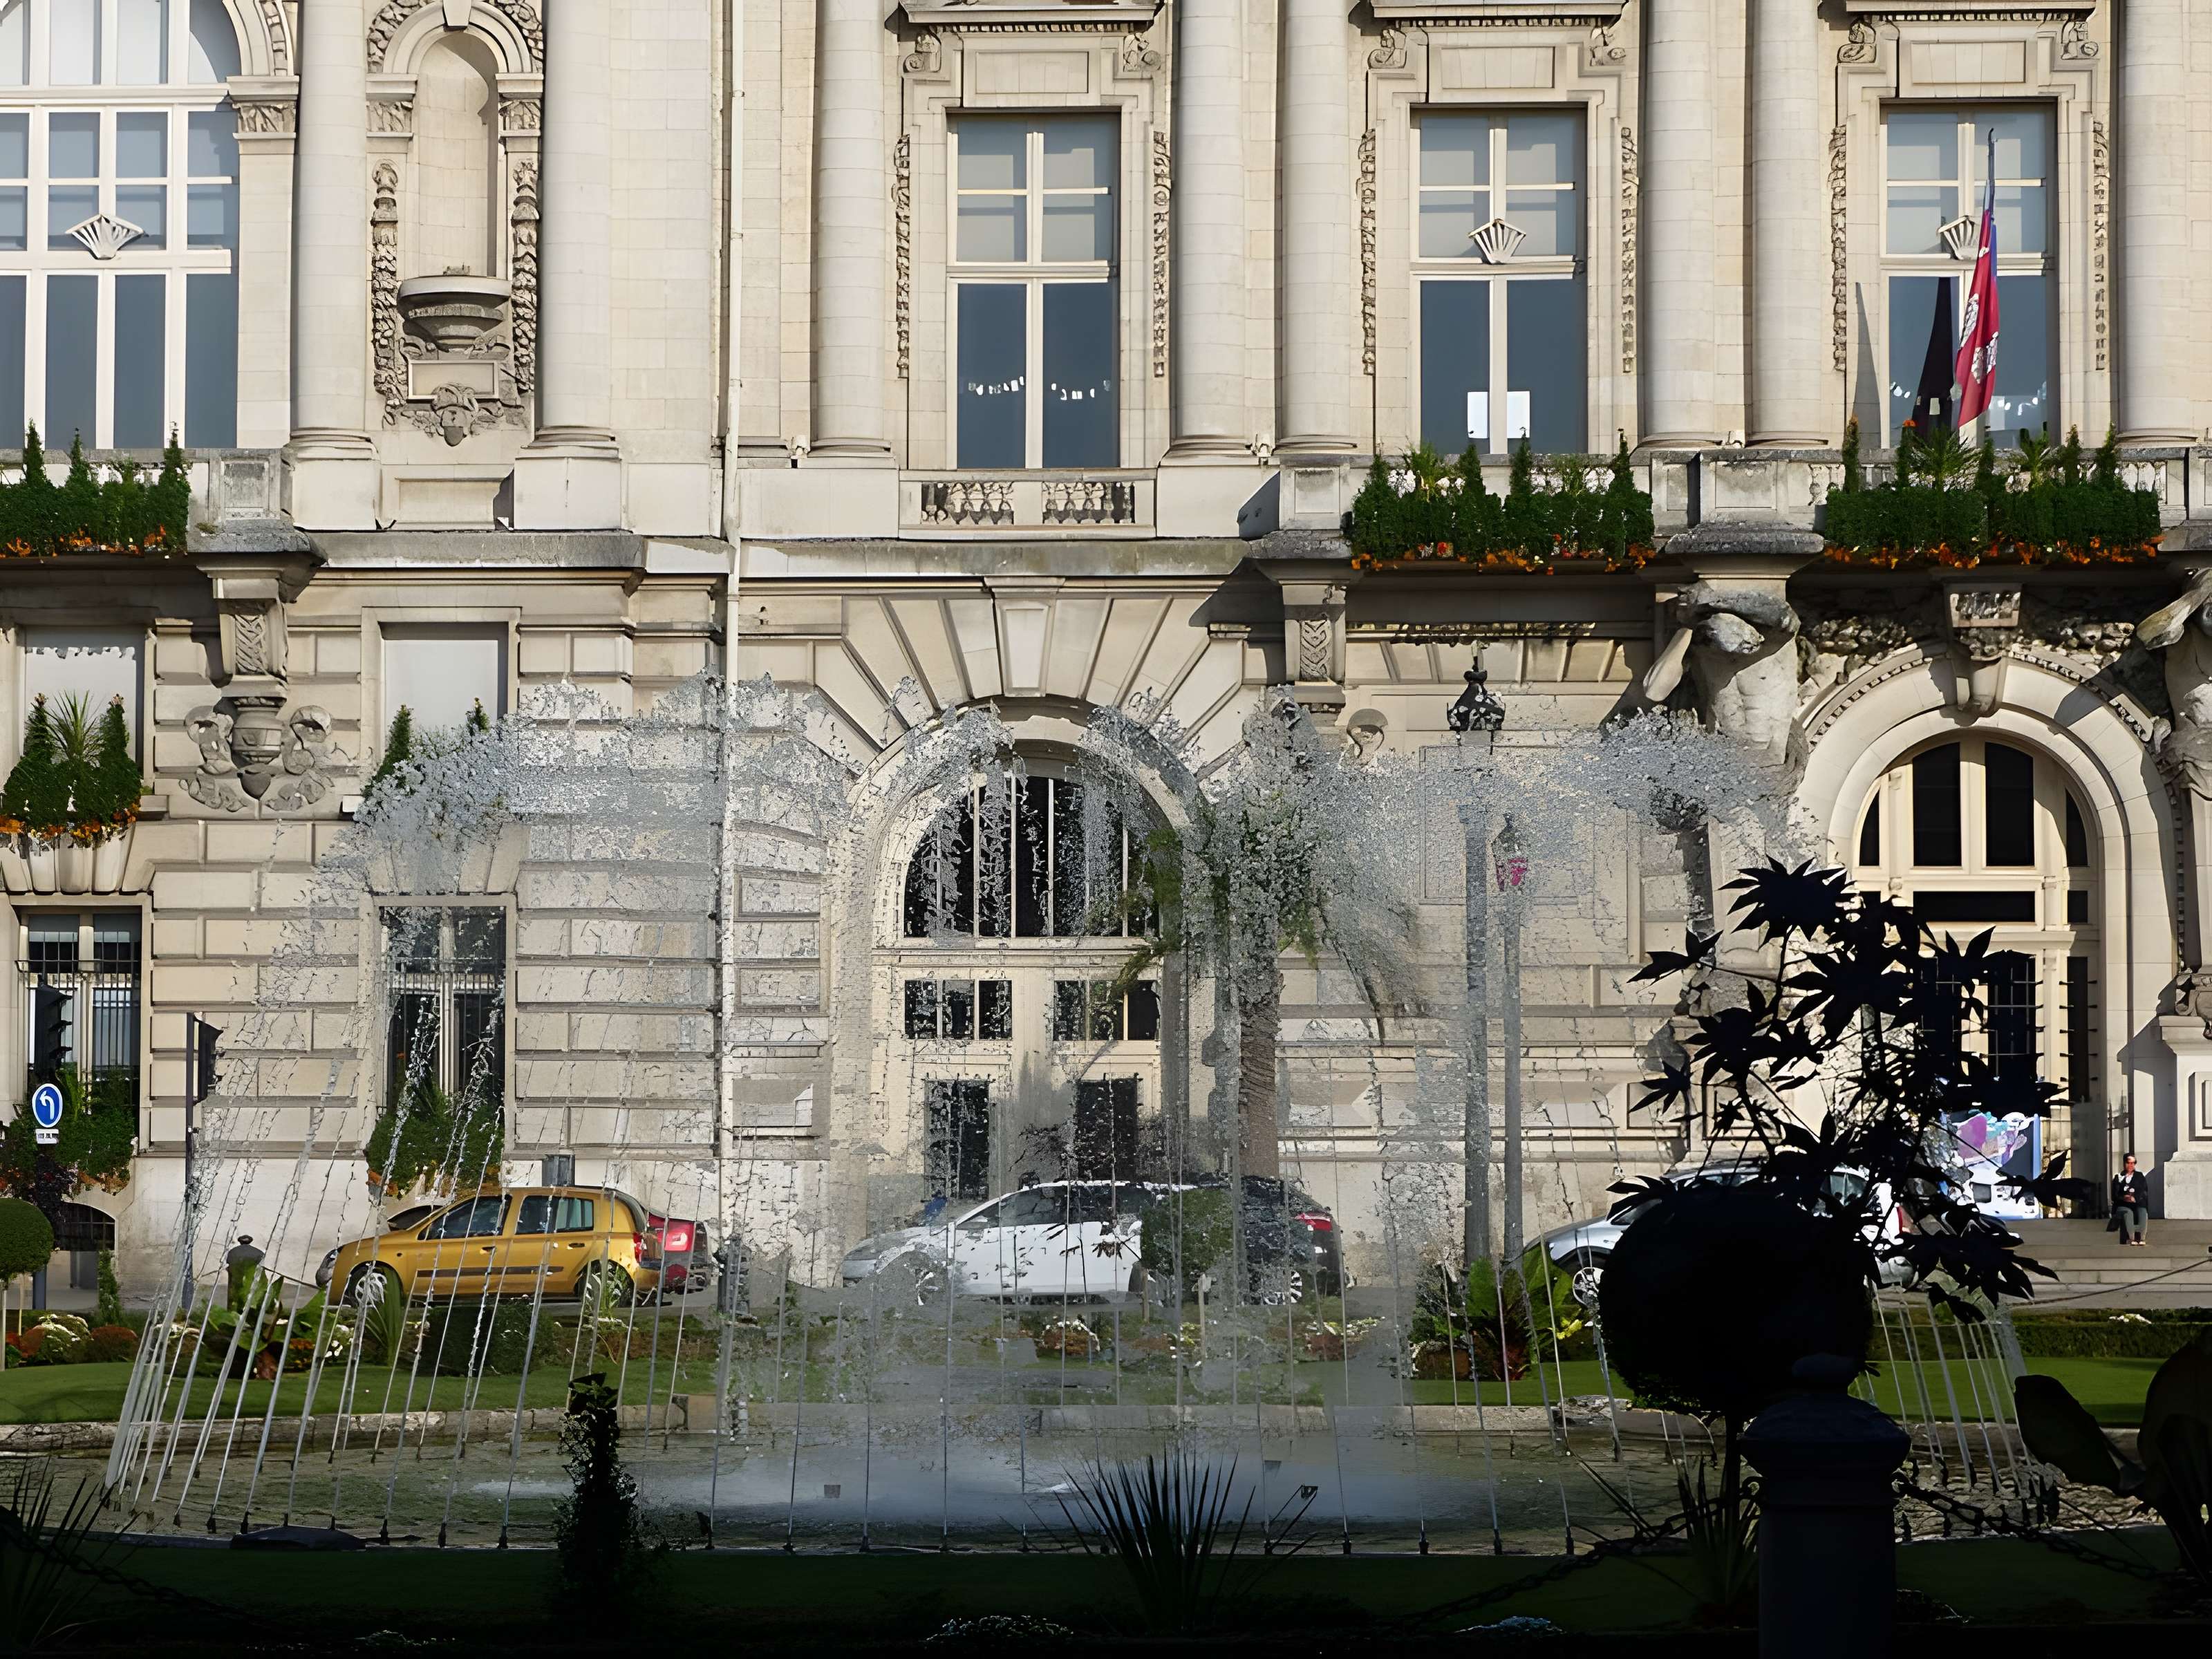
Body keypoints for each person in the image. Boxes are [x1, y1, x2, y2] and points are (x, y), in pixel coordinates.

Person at [2108, 1155, 2150, 1247]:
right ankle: (2132, 1238)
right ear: (2124, 1164)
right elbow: (2115, 1195)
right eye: (2128, 1163)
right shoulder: (2118, 1177)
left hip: (2137, 1203)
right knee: (2128, 1213)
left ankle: (2142, 1238)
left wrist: (2134, 1198)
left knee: (2143, 1212)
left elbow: (2143, 1190)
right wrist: (2124, 1198)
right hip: (2123, 1205)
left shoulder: (2139, 1176)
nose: (2131, 1165)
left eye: (2133, 1163)